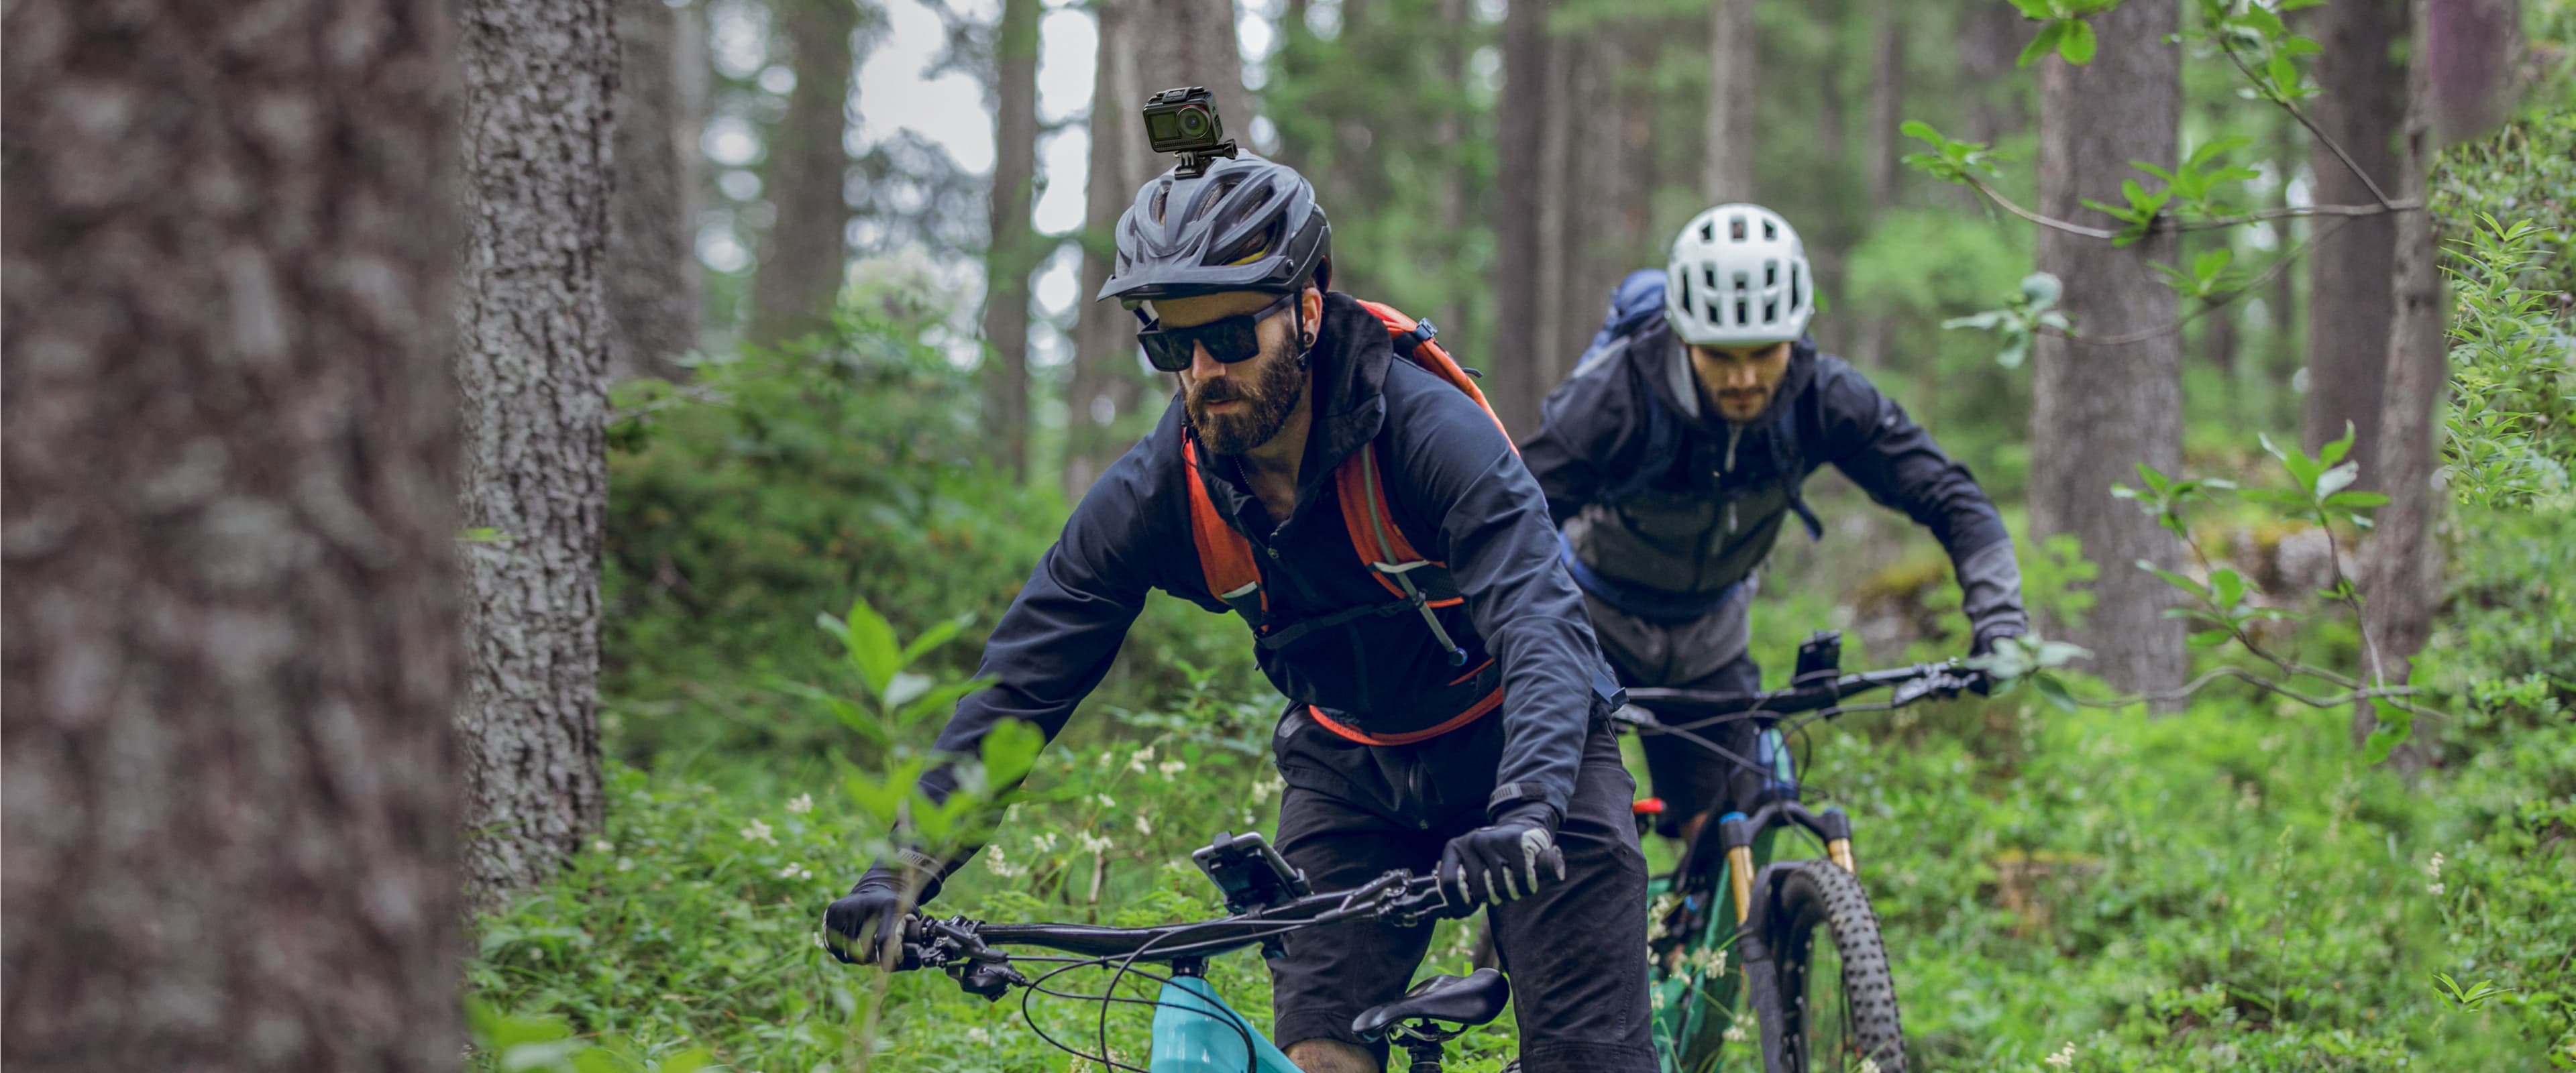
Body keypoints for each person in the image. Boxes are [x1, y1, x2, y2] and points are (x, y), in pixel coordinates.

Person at [822, 152, 1656, 1073]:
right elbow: (1023, 682)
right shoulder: (1157, 493)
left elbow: (1540, 619)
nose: (1203, 371)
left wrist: (1531, 804)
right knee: (1321, 1052)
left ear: (1307, 310)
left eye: (1227, 334)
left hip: (1522, 747)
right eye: (1170, 345)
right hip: (1351, 773)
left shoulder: (1427, 434)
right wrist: (900, 873)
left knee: (1590, 1058)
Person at [1521, 203, 2029, 842]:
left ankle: (1711, 904)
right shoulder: (1614, 396)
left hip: (1710, 639)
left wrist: (2001, 621)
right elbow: (1518, 517)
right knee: (1587, 835)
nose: (1744, 378)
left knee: (1739, 828)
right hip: (1595, 629)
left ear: (1794, 335)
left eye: (1764, 353)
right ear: (1683, 337)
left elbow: (1951, 496)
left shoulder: (1823, 397)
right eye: (1720, 356)